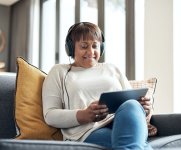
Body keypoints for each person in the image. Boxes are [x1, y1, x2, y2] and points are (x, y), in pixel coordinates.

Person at [42, 22, 153, 150]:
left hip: (122, 122)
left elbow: (130, 103)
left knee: (132, 105)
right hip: (87, 132)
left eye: (95, 46)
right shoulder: (59, 71)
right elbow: (50, 115)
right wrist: (84, 114)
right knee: (133, 142)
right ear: (71, 48)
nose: (90, 51)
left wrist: (143, 107)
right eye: (84, 46)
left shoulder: (112, 68)